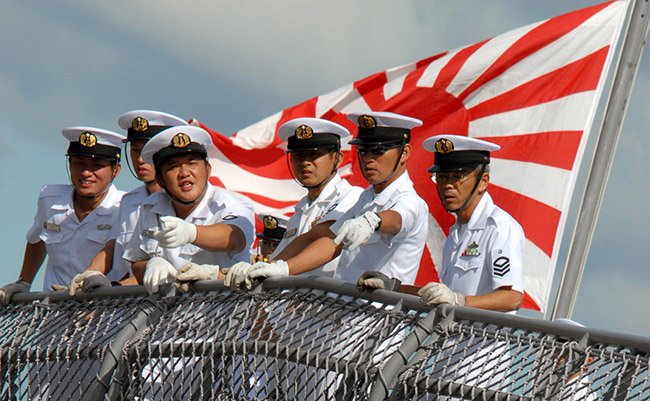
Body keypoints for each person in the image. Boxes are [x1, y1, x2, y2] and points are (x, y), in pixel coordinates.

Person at [220, 111, 428, 289]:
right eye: (363, 151)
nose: (368, 158)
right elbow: (328, 239)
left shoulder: (410, 201)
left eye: (378, 150)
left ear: (405, 153)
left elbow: (397, 219)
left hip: (383, 326)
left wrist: (375, 221)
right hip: (347, 320)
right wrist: (275, 267)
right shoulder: (366, 199)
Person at [360, 134, 524, 313]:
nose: (448, 185)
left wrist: (459, 301)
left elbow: (512, 297)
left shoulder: (500, 228)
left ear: (483, 181)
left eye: (458, 176)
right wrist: (394, 287)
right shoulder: (457, 232)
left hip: (484, 341)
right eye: (442, 177)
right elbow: (442, 296)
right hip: (452, 339)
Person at [64, 110, 189, 296]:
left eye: (147, 150)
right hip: (132, 305)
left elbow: (178, 267)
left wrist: (114, 289)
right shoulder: (130, 202)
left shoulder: (185, 202)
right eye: (136, 150)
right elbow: (115, 245)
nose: (140, 159)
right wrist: (88, 276)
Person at [122, 125, 255, 294]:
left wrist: (192, 233)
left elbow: (233, 237)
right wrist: (151, 265)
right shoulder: (151, 207)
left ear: (207, 169)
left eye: (192, 163)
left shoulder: (231, 204)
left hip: (224, 313)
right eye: (173, 166)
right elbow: (136, 260)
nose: (184, 173)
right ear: (161, 179)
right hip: (170, 315)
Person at [0, 127, 125, 303]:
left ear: (115, 170)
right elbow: (37, 239)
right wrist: (24, 282)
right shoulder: (49, 199)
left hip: (103, 314)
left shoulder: (125, 207)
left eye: (97, 165)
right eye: (79, 163)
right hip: (54, 312)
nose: (86, 173)